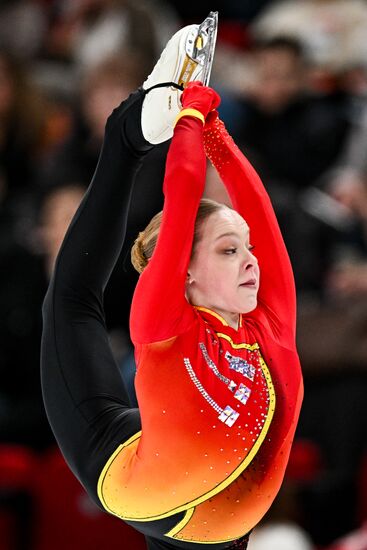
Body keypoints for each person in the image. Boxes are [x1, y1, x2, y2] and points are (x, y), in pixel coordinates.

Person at [41, 19, 303, 550]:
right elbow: (181, 198)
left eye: (245, 249)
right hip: (136, 484)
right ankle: (129, 132)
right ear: (183, 269)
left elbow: (260, 214)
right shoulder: (164, 321)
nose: (253, 261)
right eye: (230, 251)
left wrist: (216, 135)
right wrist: (184, 121)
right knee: (70, 302)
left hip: (214, 527)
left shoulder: (270, 325)